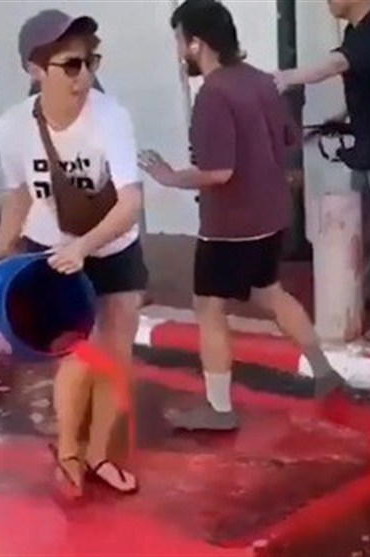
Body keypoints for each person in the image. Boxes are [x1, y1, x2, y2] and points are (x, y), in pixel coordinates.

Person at [139, 0, 345, 432]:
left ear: (196, 43)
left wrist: (169, 177)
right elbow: (288, 140)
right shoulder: (261, 82)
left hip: (229, 225)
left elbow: (219, 171)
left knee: (208, 306)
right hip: (270, 214)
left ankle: (219, 408)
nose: (178, 51)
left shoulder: (213, 95)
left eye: (180, 40)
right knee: (270, 292)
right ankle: (324, 371)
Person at [0, 10, 147, 496]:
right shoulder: (12, 127)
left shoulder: (110, 117)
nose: (84, 76)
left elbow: (130, 202)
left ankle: (99, 454)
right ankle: (69, 452)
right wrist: (2, 247)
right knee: (78, 355)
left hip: (112, 246)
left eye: (90, 62)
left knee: (113, 356)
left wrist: (85, 246)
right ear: (35, 69)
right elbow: (19, 194)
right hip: (51, 250)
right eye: (70, 65)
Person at [273, 0, 370, 342]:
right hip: (369, 141)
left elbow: (336, 64)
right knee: (366, 225)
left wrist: (285, 78)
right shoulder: (358, 32)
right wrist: (339, 118)